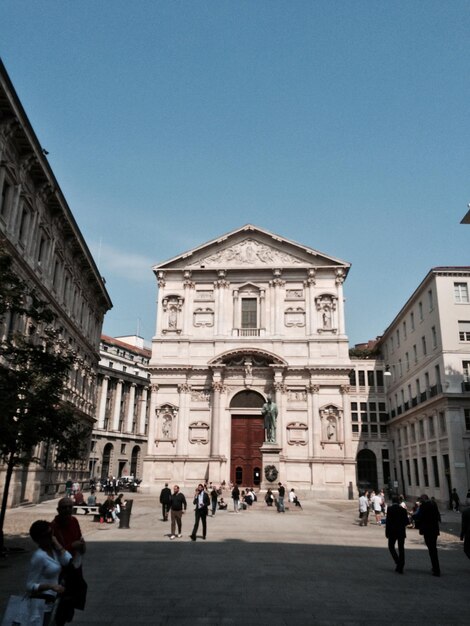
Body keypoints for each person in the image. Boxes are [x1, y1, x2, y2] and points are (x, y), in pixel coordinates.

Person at [26, 520, 72, 626]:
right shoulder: (39, 556)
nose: (51, 537)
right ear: (38, 539)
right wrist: (50, 586)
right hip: (40, 605)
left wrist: (58, 544)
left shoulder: (54, 551)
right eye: (47, 535)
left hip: (53, 602)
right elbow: (29, 586)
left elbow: (68, 561)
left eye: (51, 533)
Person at [50, 497, 87, 625]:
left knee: (75, 593)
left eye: (69, 507)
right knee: (62, 601)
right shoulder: (53, 527)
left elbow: (79, 538)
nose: (67, 510)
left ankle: (66, 615)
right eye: (64, 507)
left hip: (75, 565)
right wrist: (73, 545)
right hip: (61, 569)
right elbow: (54, 552)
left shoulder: (74, 521)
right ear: (58, 510)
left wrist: (82, 545)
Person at [413, 494, 441, 576]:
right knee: (433, 548)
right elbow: (438, 516)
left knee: (431, 549)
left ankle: (436, 569)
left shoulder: (423, 506)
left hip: (427, 529)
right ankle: (435, 567)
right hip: (434, 529)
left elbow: (419, 516)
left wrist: (413, 516)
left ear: (423, 499)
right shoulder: (433, 504)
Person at [385, 495, 409, 573]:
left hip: (392, 531)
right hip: (401, 531)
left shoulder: (390, 509)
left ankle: (398, 561)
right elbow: (406, 522)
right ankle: (401, 564)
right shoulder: (403, 510)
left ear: (392, 501)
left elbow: (388, 522)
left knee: (391, 546)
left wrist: (387, 532)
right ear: (399, 501)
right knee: (401, 548)